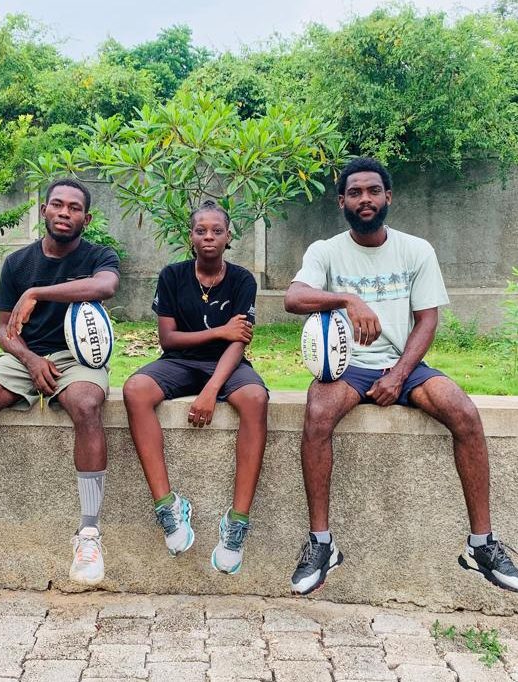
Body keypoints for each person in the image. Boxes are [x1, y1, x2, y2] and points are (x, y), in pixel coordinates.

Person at [284, 157, 518, 596]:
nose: (365, 199)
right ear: (341, 202)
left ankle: (481, 545)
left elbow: (427, 321)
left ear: (388, 197)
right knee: (317, 414)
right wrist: (348, 300)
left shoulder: (416, 249)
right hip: (347, 366)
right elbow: (294, 298)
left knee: (464, 412)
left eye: (373, 191)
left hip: (404, 366)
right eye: (355, 193)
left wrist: (399, 374)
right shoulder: (325, 250)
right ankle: (321, 544)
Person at [0, 178, 120, 587]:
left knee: (86, 405)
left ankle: (88, 535)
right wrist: (30, 360)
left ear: (87, 217)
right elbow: (3, 330)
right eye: (57, 205)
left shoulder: (99, 255)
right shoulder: (17, 263)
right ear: (44, 210)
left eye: (74, 208)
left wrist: (39, 292)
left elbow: (106, 287)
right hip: (23, 355)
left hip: (76, 357)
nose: (64, 213)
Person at [123, 200, 268, 575]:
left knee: (254, 398)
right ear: (190, 236)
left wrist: (211, 390)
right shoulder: (172, 276)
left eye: (216, 230)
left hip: (226, 363)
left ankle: (236, 522)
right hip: (180, 361)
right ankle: (168, 506)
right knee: (136, 389)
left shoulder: (243, 280)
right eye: (201, 230)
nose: (208, 237)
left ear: (228, 236)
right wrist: (220, 330)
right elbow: (168, 340)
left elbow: (239, 343)